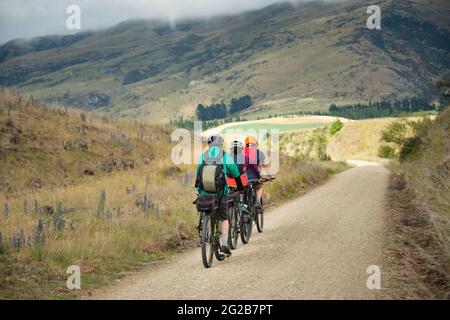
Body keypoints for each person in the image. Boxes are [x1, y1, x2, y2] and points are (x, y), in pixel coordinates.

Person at [195, 134, 243, 255]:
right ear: (221, 144)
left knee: (206, 208)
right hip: (220, 192)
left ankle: (204, 229)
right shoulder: (225, 155)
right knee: (224, 218)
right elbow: (235, 172)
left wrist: (198, 190)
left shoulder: (203, 155)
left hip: (205, 192)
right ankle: (225, 243)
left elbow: (198, 175)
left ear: (209, 145)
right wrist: (240, 186)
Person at [243, 136, 269, 214]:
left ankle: (245, 205)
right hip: (255, 178)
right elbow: (264, 164)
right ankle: (257, 201)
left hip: (244, 178)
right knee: (260, 186)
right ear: (256, 144)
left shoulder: (242, 152)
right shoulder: (259, 152)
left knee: (244, 191)